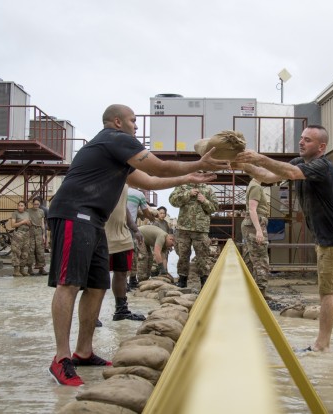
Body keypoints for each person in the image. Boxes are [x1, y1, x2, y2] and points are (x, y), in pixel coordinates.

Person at [46, 103, 228, 386]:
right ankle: (61, 358)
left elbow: (151, 181)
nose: (136, 125)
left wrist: (188, 177)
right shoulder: (115, 139)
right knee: (68, 283)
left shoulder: (115, 155)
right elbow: (160, 165)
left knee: (96, 286)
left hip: (94, 220)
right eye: (133, 120)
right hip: (73, 213)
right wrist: (199, 163)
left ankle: (83, 351)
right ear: (117, 122)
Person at [233, 124, 333, 352]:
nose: (301, 142)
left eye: (308, 140)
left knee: (327, 291)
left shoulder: (323, 166)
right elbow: (268, 176)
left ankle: (321, 346)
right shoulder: (299, 163)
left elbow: (290, 174)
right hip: (328, 236)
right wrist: (244, 165)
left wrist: (260, 157)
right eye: (301, 138)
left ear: (321, 147)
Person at [105, 185, 145, 322]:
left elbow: (124, 208)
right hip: (101, 232)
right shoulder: (101, 176)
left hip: (122, 234)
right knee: (97, 274)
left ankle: (121, 310)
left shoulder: (123, 185)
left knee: (121, 272)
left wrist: (135, 229)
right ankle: (92, 314)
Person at [169, 183, 219, 289]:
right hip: (183, 228)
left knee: (202, 257)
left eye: (201, 172)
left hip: (200, 229)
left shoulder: (208, 189)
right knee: (183, 256)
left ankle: (204, 283)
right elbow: (172, 201)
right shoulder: (182, 187)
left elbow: (214, 208)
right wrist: (188, 194)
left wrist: (204, 201)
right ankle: (182, 281)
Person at [241, 178, 272, 299]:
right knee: (261, 258)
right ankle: (261, 292)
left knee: (250, 257)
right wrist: (259, 230)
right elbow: (252, 209)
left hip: (253, 224)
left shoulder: (253, 185)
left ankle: (251, 291)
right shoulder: (256, 187)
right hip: (256, 223)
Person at [126, 187, 154, 289]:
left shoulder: (118, 189)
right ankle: (132, 279)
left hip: (115, 225)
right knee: (132, 253)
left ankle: (121, 281)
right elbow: (146, 213)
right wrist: (152, 218)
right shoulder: (139, 194)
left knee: (119, 253)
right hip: (130, 227)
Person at [10, 200, 32, 277]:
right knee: (16, 251)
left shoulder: (27, 213)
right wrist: (23, 222)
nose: (20, 207)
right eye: (19, 205)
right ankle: (16, 270)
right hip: (18, 234)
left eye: (22, 205)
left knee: (25, 252)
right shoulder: (15, 213)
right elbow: (13, 225)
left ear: (25, 206)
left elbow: (30, 224)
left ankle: (22, 269)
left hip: (26, 234)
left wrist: (28, 222)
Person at [28, 197, 48, 275]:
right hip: (31, 231)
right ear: (32, 203)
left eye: (38, 204)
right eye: (35, 204)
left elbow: (42, 223)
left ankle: (41, 268)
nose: (36, 205)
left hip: (39, 231)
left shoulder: (41, 211)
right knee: (31, 250)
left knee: (40, 250)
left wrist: (43, 234)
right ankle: (30, 268)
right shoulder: (28, 211)